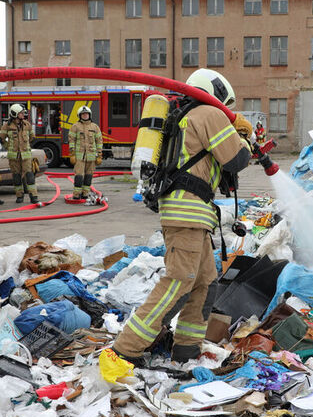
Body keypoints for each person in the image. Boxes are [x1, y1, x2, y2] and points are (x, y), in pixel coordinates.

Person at [112, 69, 252, 364]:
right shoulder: (209, 114)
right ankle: (127, 347)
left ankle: (187, 348)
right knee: (179, 280)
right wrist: (243, 137)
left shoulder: (188, 116)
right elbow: (235, 159)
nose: (228, 111)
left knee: (204, 282)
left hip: (192, 213)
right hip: (188, 211)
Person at [0, 104, 38, 204]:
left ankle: (33, 196)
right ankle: (19, 196)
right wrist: (9, 147)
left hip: (26, 155)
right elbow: (1, 139)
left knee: (29, 175)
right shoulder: (7, 126)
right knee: (16, 176)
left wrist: (26, 146)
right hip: (14, 156)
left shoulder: (27, 125)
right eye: (21, 113)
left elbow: (32, 137)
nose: (23, 115)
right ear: (15, 114)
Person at [68, 105, 103, 201]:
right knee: (79, 175)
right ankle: (76, 194)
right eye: (83, 114)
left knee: (89, 176)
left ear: (89, 115)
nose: (85, 115)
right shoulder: (75, 126)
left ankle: (85, 194)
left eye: (86, 114)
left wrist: (99, 154)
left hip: (91, 156)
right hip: (79, 156)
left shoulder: (95, 127)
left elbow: (99, 141)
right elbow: (71, 140)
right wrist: (72, 154)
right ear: (80, 116)